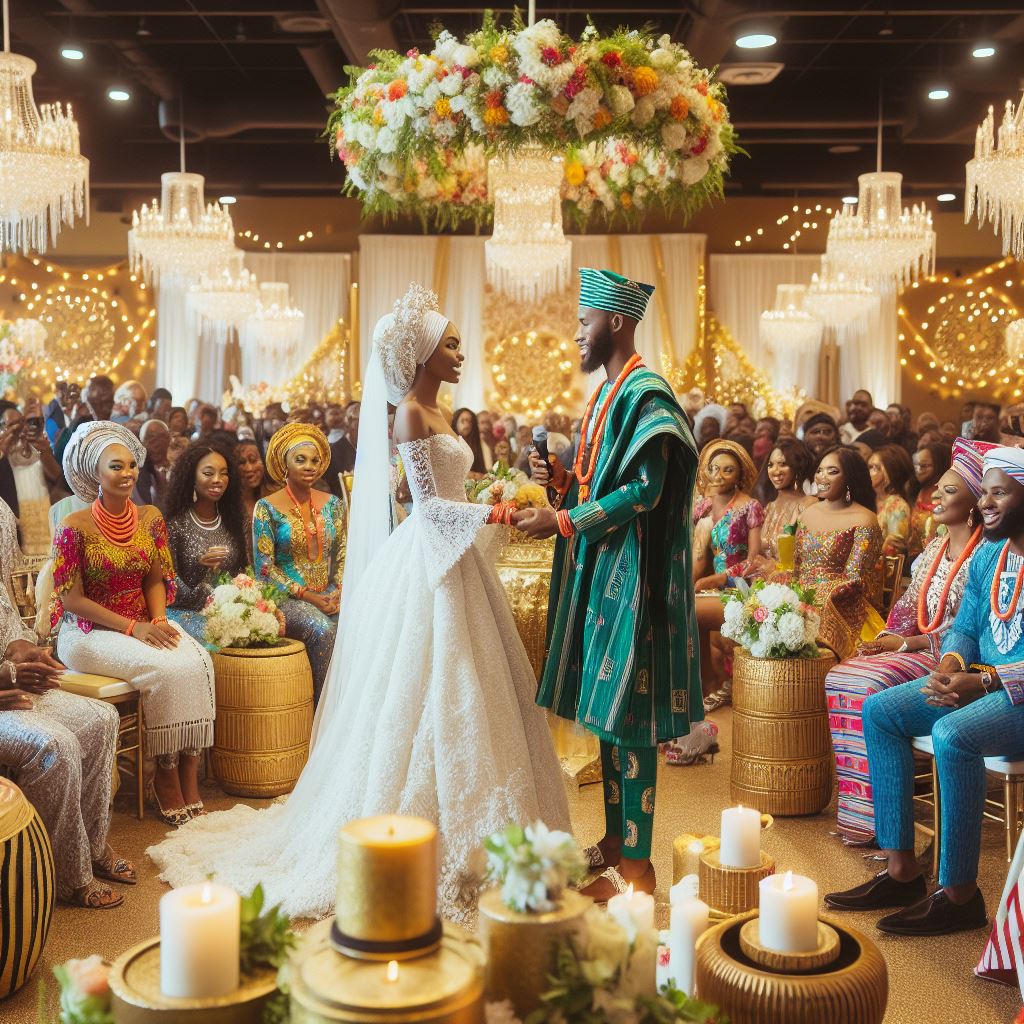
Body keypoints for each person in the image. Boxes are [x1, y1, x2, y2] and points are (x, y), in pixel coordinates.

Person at [148, 283, 569, 924]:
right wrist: (505, 509)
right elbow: (431, 511)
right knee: (422, 691)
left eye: (458, 343)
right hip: (430, 564)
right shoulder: (410, 414)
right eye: (449, 344)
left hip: (450, 562)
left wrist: (503, 483)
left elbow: (450, 488)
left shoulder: (437, 413)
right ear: (422, 351)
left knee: (471, 691)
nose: (459, 353)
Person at [520, 268, 700, 900]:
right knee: (611, 719)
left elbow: (646, 492)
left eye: (583, 323)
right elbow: (605, 485)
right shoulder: (605, 394)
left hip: (638, 582)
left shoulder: (646, 394)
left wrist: (564, 518)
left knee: (633, 723)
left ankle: (638, 870)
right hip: (608, 574)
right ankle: (619, 841)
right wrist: (563, 483)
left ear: (617, 322)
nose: (576, 336)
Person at [825, 445, 1024, 937]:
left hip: (1014, 695)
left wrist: (983, 681)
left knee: (954, 734)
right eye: (987, 494)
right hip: (981, 683)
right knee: (880, 710)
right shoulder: (990, 558)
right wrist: (953, 664)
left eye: (1000, 493)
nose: (986, 504)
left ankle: (959, 896)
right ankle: (902, 873)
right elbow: (967, 628)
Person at [824, 439, 988, 846]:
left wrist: (908, 646)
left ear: (973, 503)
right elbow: (909, 604)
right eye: (938, 488)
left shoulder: (985, 553)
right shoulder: (934, 546)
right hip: (917, 647)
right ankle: (860, 815)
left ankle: (885, 824)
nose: (935, 495)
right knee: (841, 676)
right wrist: (890, 638)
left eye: (950, 491)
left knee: (868, 688)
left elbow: (970, 632)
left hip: (955, 661)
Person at [52, 422, 216, 826]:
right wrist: (132, 627)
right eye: (115, 466)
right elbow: (71, 600)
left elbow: (155, 579)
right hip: (87, 633)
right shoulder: (73, 526)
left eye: (130, 465)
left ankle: (187, 768)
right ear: (95, 474)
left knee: (199, 663)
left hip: (144, 621)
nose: (127, 474)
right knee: (164, 668)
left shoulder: (149, 517)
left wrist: (158, 618)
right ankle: (162, 770)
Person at [0, 498, 133, 909]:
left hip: (10, 684)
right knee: (55, 746)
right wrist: (7, 675)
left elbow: (8, 619)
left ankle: (91, 847)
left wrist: (25, 651)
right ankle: (66, 874)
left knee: (100, 718)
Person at [252, 423, 346, 703]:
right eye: (300, 459)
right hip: (287, 599)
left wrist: (339, 589)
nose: (310, 466)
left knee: (362, 624)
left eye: (315, 460)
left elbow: (343, 552)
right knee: (324, 630)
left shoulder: (333, 504)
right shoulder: (266, 507)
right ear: (285, 464)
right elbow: (265, 568)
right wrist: (310, 597)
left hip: (330, 593)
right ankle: (321, 715)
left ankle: (352, 714)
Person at [777, 447, 884, 661]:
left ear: (849, 478)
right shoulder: (807, 515)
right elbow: (797, 568)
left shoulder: (864, 520)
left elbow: (855, 579)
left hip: (843, 606)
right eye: (819, 471)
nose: (822, 477)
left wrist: (813, 602)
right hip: (802, 602)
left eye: (832, 471)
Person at [689, 440, 765, 715]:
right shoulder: (704, 509)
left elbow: (754, 560)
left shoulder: (749, 506)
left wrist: (719, 579)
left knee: (694, 612)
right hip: (711, 585)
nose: (719, 475)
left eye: (728, 470)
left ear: (740, 475)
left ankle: (717, 684)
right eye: (714, 468)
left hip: (742, 585)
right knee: (681, 605)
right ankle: (706, 684)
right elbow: (698, 558)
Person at [165, 441, 248, 644]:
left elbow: (246, 571)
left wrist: (239, 599)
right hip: (187, 611)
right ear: (191, 479)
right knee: (217, 632)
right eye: (208, 473)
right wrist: (200, 568)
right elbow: (169, 582)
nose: (218, 480)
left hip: (231, 608)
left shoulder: (237, 521)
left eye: (224, 473)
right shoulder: (176, 525)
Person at [1, 401, 63, 556]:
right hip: (17, 525)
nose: (18, 429)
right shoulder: (3, 454)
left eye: (21, 422)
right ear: (3, 428)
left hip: (43, 517)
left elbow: (57, 477)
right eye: (12, 425)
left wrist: (45, 451)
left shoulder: (36, 446)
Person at [749, 437, 816, 571]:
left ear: (797, 466)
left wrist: (774, 568)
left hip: (795, 586)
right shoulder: (769, 507)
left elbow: (811, 559)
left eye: (783, 464)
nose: (776, 470)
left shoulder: (809, 505)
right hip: (763, 586)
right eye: (771, 465)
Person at [908, 442, 952, 561]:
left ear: (939, 465)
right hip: (915, 558)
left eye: (924, 466)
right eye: (916, 466)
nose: (919, 470)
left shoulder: (947, 495)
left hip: (937, 559)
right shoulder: (919, 491)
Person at [868, 445, 913, 559]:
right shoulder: (869, 498)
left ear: (890, 472)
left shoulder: (897, 506)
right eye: (868, 467)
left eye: (875, 467)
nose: (868, 472)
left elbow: (893, 551)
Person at [133, 419, 172, 514]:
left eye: (163, 437)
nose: (158, 444)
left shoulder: (171, 470)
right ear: (141, 442)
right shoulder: (137, 472)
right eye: (151, 438)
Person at [452, 407, 488, 475]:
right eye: (463, 420)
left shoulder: (476, 444)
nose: (467, 424)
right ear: (456, 422)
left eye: (469, 421)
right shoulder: (451, 444)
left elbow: (481, 469)